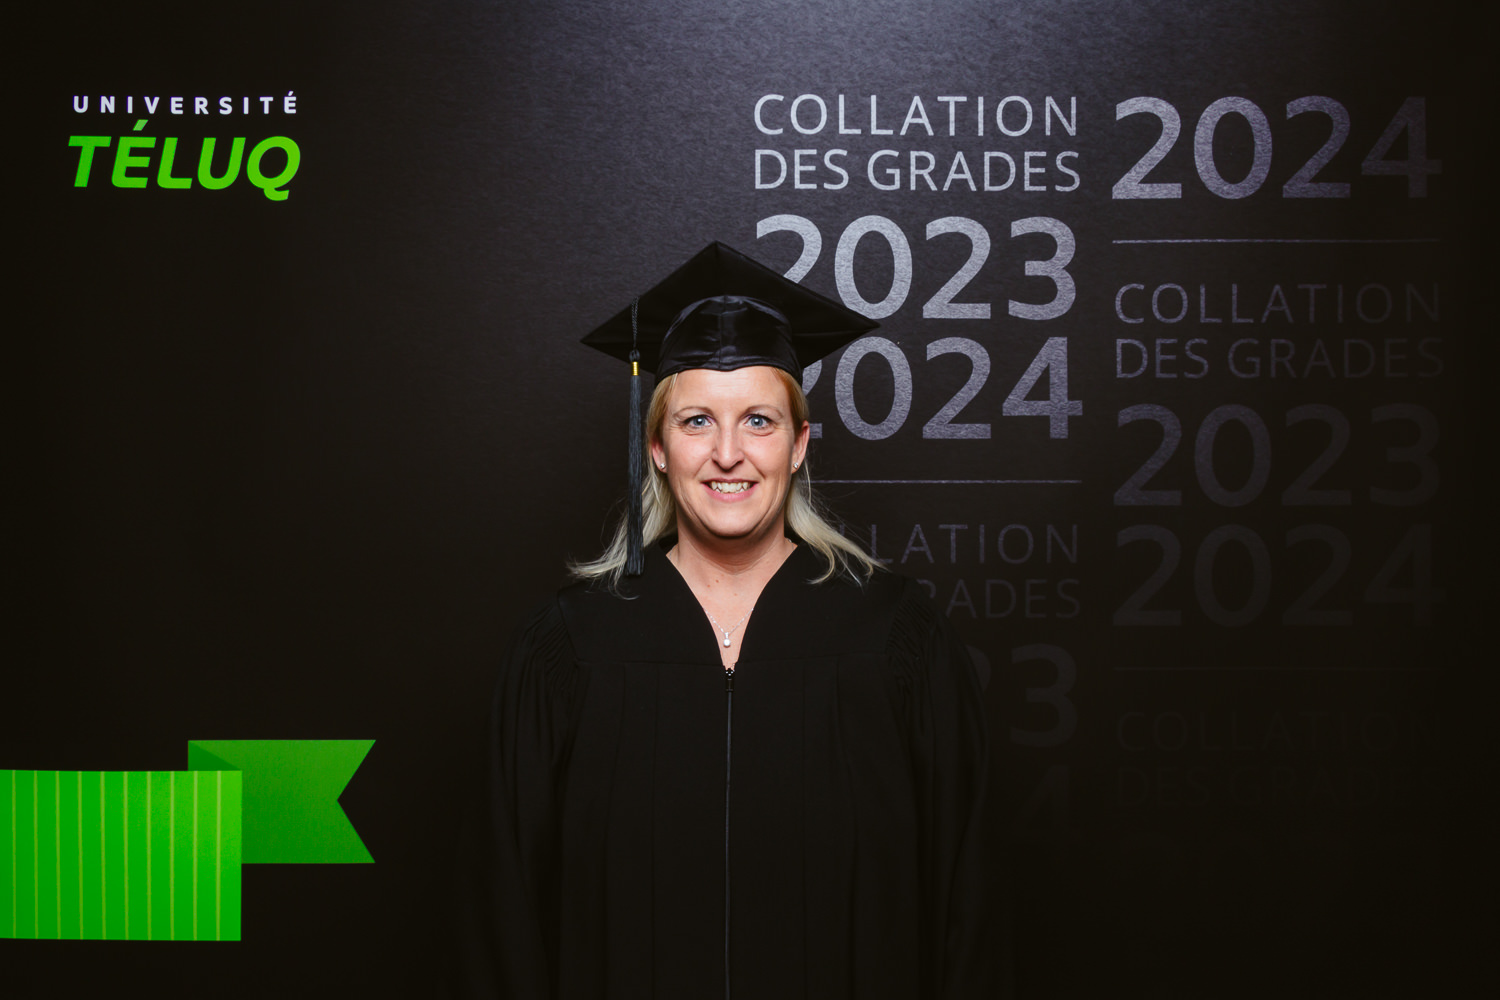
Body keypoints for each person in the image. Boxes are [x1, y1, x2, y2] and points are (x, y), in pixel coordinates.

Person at [459, 243, 1000, 999]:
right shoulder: (571, 648)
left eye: (758, 420)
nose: (727, 454)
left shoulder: (894, 640)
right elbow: (504, 922)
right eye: (695, 421)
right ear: (656, 447)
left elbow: (969, 908)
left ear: (799, 443)